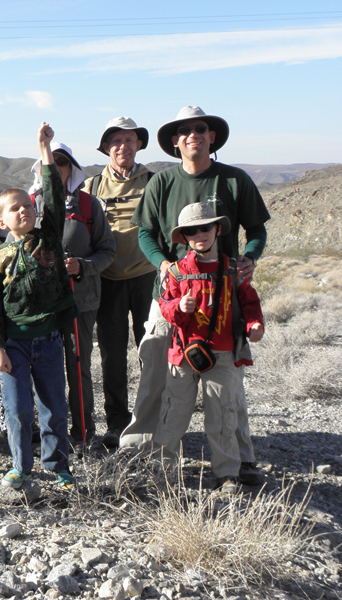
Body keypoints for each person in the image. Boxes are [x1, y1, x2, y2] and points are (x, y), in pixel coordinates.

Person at [120, 106, 270, 487]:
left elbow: (257, 230)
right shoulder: (162, 183)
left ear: (212, 136)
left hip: (222, 293)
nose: (193, 135)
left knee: (226, 381)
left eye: (200, 128)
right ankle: (142, 452)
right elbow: (146, 234)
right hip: (171, 289)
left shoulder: (234, 180)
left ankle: (240, 459)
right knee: (157, 363)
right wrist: (163, 264)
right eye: (184, 130)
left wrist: (249, 257)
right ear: (175, 141)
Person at [0, 122, 78, 491]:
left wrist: (44, 151)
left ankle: (59, 467)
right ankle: (20, 467)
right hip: (14, 345)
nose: (24, 211)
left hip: (49, 340)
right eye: (15, 208)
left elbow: (54, 199)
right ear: (1, 221)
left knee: (54, 407)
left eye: (27, 205)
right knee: (19, 410)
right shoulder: (0, 259)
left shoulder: (48, 239)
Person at [155, 203, 264, 494]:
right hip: (183, 355)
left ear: (217, 229)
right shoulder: (177, 272)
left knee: (223, 414)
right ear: (184, 238)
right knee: (174, 412)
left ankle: (227, 473)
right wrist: (178, 306)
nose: (199, 235)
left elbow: (250, 302)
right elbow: (166, 308)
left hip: (223, 354)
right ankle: (163, 470)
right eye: (191, 231)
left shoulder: (232, 270)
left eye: (205, 228)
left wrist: (254, 325)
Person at [28, 143, 116, 455]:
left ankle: (82, 434)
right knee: (44, 369)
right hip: (40, 305)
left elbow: (108, 250)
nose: (55, 165)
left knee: (78, 366)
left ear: (71, 168)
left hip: (80, 300)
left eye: (62, 161)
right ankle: (51, 436)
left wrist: (83, 266)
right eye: (49, 160)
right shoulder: (30, 204)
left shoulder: (89, 205)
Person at [83, 117, 157, 449]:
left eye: (129, 140)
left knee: (152, 351)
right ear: (106, 148)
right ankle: (117, 423)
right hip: (108, 280)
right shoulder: (91, 186)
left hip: (147, 277)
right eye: (116, 141)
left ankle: (152, 420)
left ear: (139, 144)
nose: (123, 147)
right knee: (112, 355)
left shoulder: (155, 182)